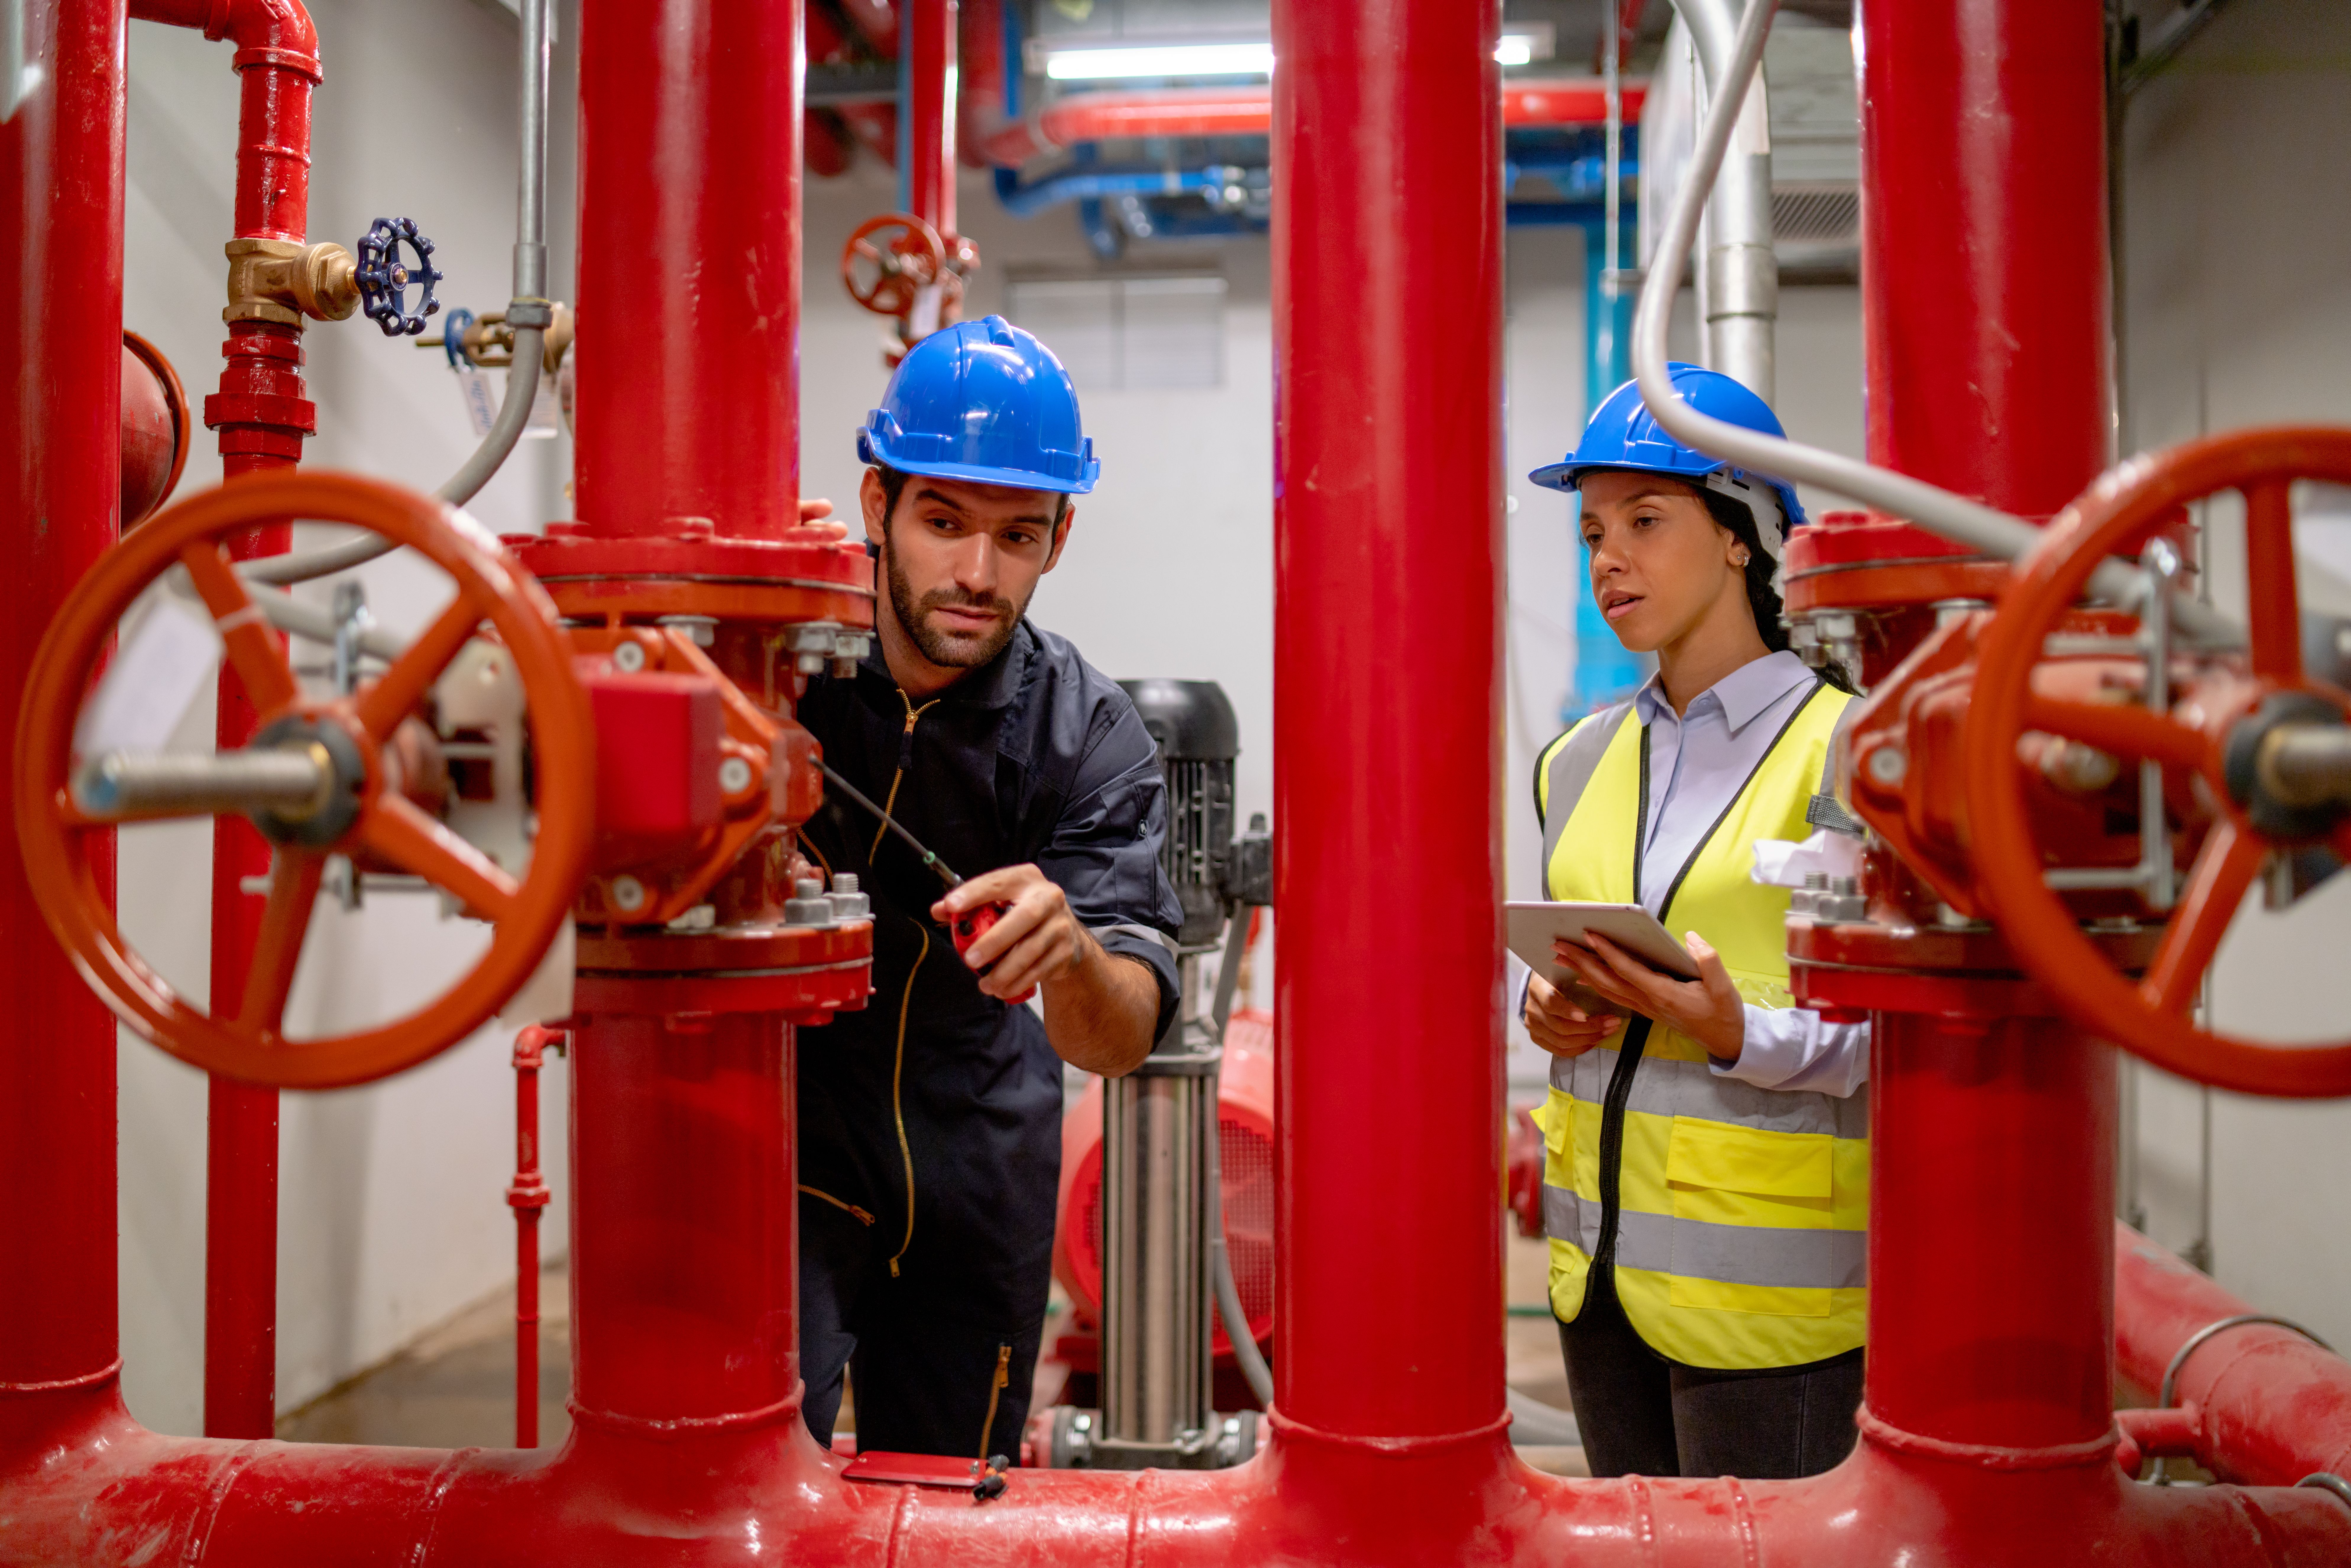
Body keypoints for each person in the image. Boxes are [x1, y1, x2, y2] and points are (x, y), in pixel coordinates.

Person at [791, 316, 1182, 1460]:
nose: (975, 573)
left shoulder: (1088, 736)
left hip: (980, 1191)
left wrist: (1072, 960)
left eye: (1017, 535)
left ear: (1058, 540)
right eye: (943, 522)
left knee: (951, 1510)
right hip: (793, 1166)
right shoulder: (781, 670)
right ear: (877, 508)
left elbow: (1119, 1040)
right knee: (749, 1493)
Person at [1522, 364, 1868, 1481]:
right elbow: (1563, 953)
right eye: (1593, 531)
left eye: (1646, 519)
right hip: (1598, 1285)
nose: (1608, 557)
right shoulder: (1575, 762)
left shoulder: (1855, 755)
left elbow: (1913, 1036)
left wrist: (1739, 1033)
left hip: (1775, 1308)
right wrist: (1541, 1003)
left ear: (1742, 534)